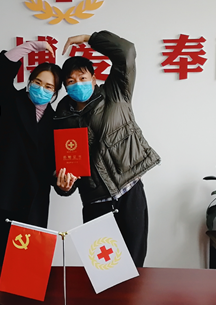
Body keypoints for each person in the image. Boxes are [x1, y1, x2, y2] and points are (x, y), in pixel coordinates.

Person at [54, 30, 161, 267]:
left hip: (130, 193)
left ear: (94, 78)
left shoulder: (116, 92)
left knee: (134, 266)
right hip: (95, 202)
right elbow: (61, 168)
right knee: (103, 270)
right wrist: (62, 185)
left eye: (83, 78)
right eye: (70, 81)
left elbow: (126, 52)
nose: (78, 84)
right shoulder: (60, 120)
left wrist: (89, 38)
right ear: (65, 87)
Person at [0, 40, 77, 266]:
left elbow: (59, 167)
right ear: (29, 82)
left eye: (49, 87)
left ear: (55, 93)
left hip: (35, 199)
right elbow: (2, 68)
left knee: (31, 264)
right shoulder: (11, 101)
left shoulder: (58, 122)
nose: (41, 89)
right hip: (4, 193)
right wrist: (33, 46)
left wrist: (65, 185)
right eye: (37, 82)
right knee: (4, 258)